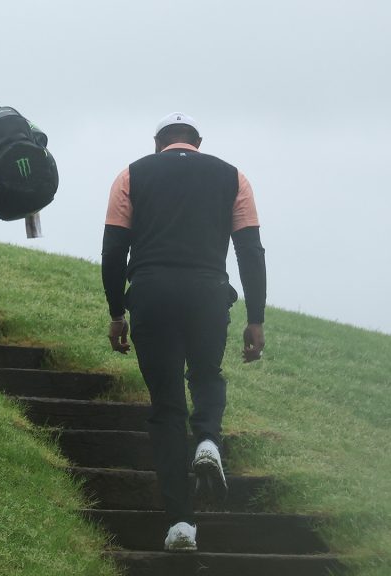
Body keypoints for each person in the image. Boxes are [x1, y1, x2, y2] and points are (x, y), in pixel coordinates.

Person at [100, 112, 267, 552]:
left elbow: (114, 249)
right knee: (207, 375)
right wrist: (256, 318)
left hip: (151, 294)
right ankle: (209, 438)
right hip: (208, 293)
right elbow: (250, 248)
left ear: (159, 143)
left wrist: (117, 313)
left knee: (167, 407)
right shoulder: (233, 177)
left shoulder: (131, 174)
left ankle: (180, 526)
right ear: (197, 141)